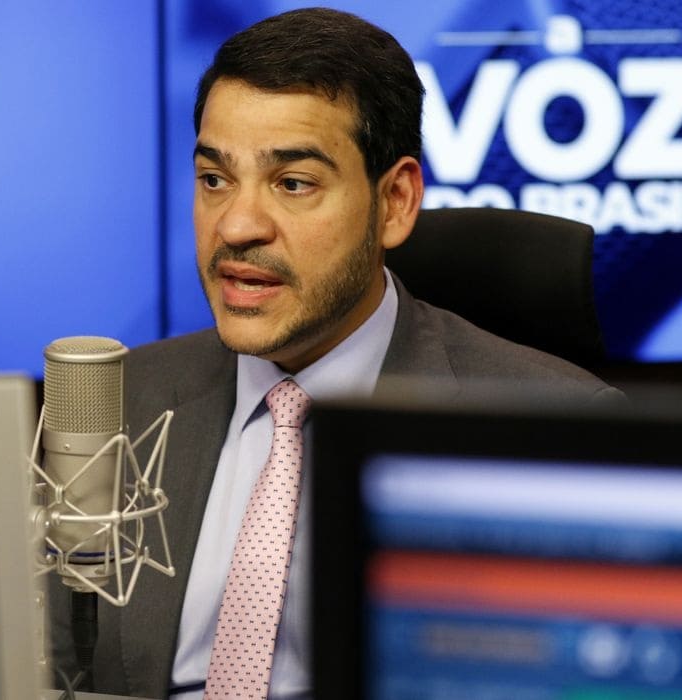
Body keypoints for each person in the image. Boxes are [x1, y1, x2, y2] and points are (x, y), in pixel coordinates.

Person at [47, 7, 625, 699]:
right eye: (214, 179)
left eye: (293, 183)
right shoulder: (119, 402)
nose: (236, 225)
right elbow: (47, 664)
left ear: (395, 202)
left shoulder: (556, 431)